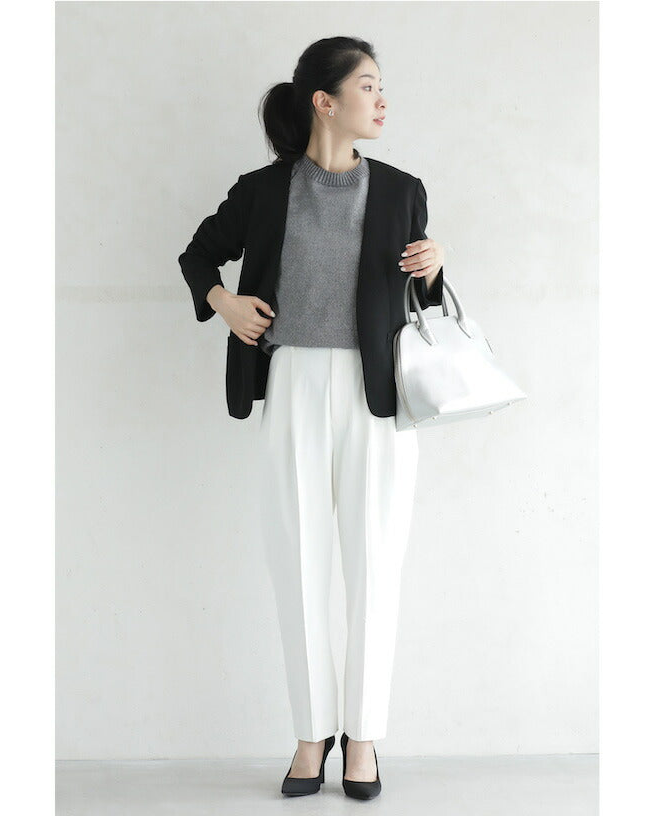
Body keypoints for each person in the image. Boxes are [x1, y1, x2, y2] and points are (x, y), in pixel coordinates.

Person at [178, 36, 444, 800]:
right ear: (324, 101)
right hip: (293, 381)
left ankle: (362, 737)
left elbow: (421, 304)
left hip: (377, 394)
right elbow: (198, 256)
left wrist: (436, 266)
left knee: (374, 567)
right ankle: (310, 732)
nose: (382, 99)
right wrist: (226, 304)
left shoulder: (402, 191)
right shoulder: (264, 192)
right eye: (369, 85)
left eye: (381, 86)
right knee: (297, 566)